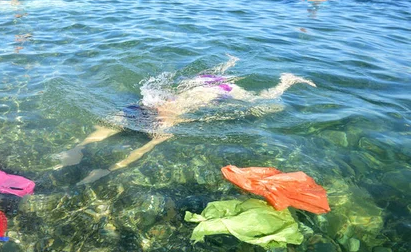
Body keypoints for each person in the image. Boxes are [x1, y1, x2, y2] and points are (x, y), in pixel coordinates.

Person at [55, 56, 317, 185]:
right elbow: (116, 133)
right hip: (202, 85)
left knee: (262, 105)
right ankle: (228, 65)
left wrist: (109, 169)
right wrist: (80, 150)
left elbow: (142, 148)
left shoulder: (158, 116)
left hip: (218, 91)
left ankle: (286, 82)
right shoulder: (147, 107)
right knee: (258, 105)